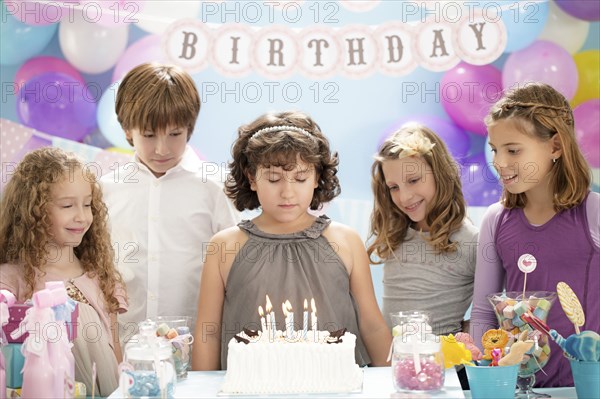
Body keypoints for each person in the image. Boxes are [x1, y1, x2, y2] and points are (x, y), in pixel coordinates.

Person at [191, 111, 392, 370]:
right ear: (252, 178)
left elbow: (372, 325)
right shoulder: (224, 246)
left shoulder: (346, 241)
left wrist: (394, 384)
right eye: (273, 178)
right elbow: (208, 333)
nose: (287, 192)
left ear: (317, 177)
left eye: (300, 178)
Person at [470, 82, 599, 387]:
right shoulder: (495, 219)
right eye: (495, 150)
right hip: (518, 390)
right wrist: (489, 378)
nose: (499, 163)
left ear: (555, 146)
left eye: (513, 150)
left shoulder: (592, 212)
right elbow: (482, 313)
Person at [100, 63, 239, 343]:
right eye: (149, 135)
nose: (162, 149)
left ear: (190, 128)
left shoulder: (216, 187)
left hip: (197, 347)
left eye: (174, 134)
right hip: (123, 347)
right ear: (128, 131)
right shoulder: (106, 190)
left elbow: (235, 269)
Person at [0, 147, 128, 396]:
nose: (82, 216)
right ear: (33, 210)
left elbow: (115, 356)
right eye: (68, 205)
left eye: (88, 204)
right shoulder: (10, 280)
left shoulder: (99, 274)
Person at [367, 124, 478, 336]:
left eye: (413, 180)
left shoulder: (470, 240)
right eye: (394, 187)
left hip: (441, 363)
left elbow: (495, 308)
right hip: (393, 360)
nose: (404, 196)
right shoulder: (395, 235)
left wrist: (465, 332)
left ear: (440, 174)